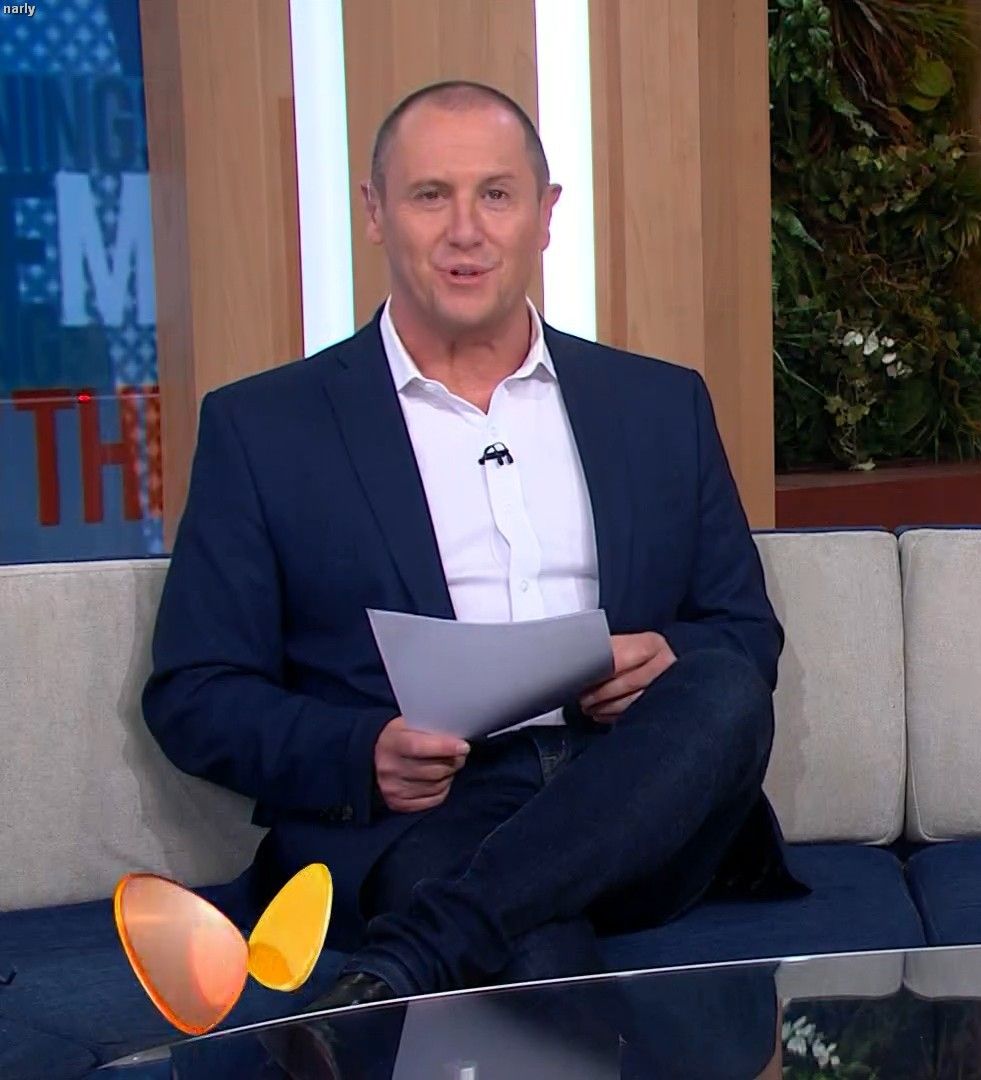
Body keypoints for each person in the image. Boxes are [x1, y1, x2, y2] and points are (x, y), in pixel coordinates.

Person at [142, 79, 803, 1030]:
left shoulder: (660, 404)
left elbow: (745, 634)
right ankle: (470, 924)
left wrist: (667, 654)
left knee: (723, 687)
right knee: (537, 957)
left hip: (636, 794)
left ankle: (417, 951)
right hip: (430, 817)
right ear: (376, 213)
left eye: (496, 195)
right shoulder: (265, 428)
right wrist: (361, 753)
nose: (466, 231)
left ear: (545, 214)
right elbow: (194, 692)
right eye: (430, 196)